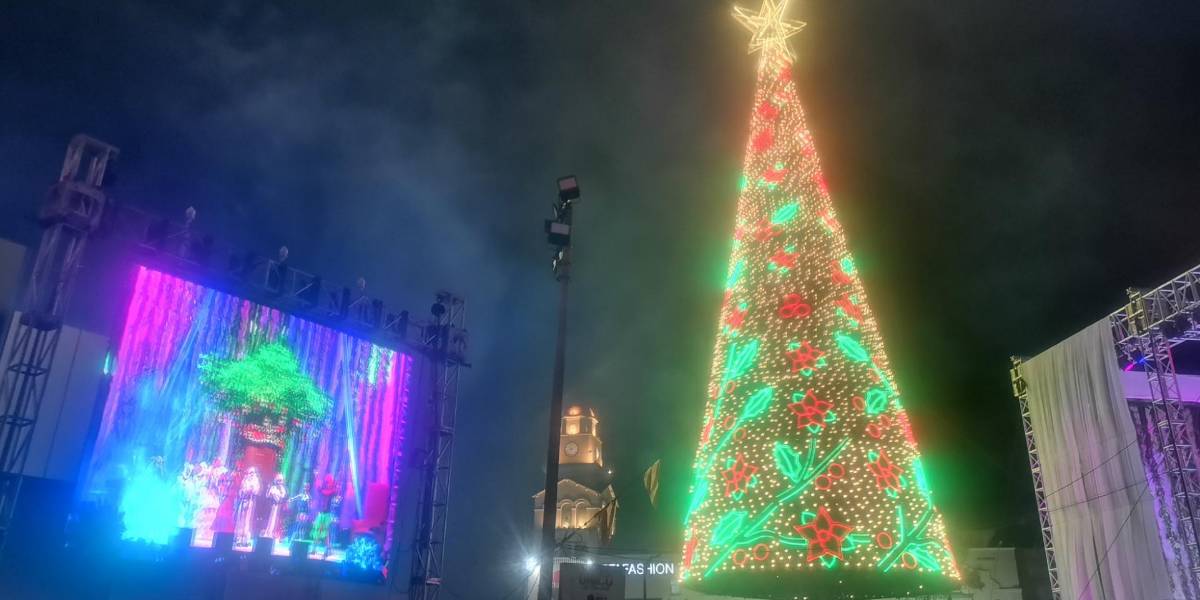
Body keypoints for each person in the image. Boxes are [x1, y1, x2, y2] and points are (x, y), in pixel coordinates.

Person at [234, 467, 261, 547]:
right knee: (241, 519)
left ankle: (246, 539)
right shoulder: (245, 480)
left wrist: (252, 490)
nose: (251, 474)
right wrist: (244, 491)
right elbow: (241, 490)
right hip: (243, 501)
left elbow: (257, 491)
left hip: (251, 502)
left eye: (252, 472)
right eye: (250, 472)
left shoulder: (256, 481)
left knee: (247, 521)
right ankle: (238, 538)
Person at [262, 474, 287, 539]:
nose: (279, 482)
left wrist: (278, 495)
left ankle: (273, 533)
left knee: (276, 520)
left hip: (279, 506)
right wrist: (271, 492)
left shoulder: (282, 488)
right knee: (271, 519)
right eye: (278, 481)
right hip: (272, 506)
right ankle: (268, 533)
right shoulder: (273, 487)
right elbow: (268, 495)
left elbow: (283, 496)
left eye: (281, 481)